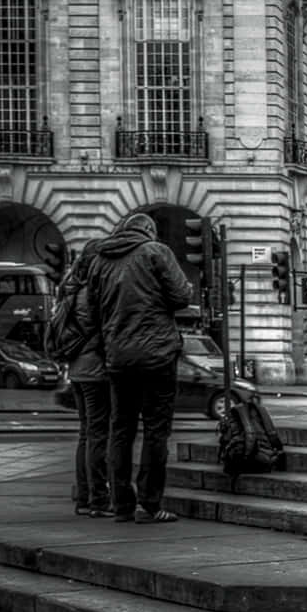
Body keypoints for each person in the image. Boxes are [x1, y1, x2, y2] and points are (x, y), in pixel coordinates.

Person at [77, 212, 191, 524]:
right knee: (156, 430)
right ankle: (150, 504)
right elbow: (182, 296)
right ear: (149, 232)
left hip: (117, 357)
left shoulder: (100, 260)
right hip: (157, 355)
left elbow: (93, 311)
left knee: (120, 429)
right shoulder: (156, 252)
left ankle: (122, 506)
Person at [58, 242, 113, 517]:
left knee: (85, 434)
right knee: (99, 435)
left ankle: (83, 497)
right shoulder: (93, 294)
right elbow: (106, 330)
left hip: (77, 370)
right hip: (95, 372)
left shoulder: (68, 290)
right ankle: (99, 501)